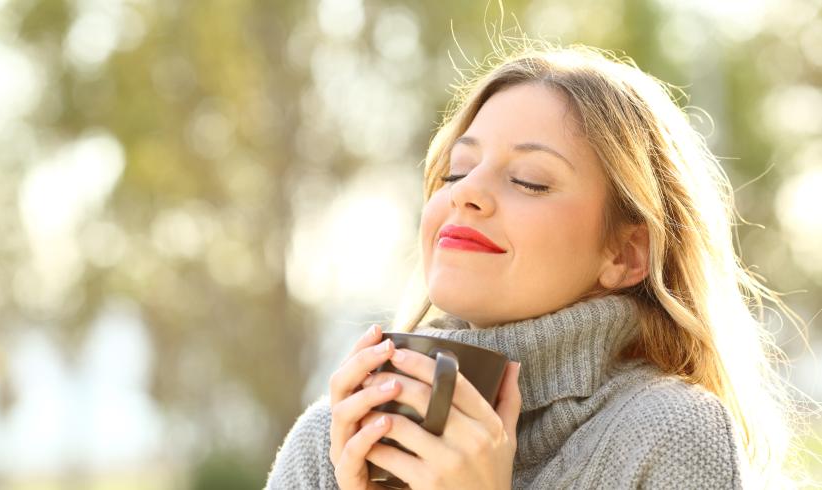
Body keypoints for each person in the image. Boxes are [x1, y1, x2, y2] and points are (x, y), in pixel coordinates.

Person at [265, 39, 812, 489]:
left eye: (529, 179)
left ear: (625, 253)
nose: (466, 193)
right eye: (456, 171)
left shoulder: (669, 434)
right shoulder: (333, 438)